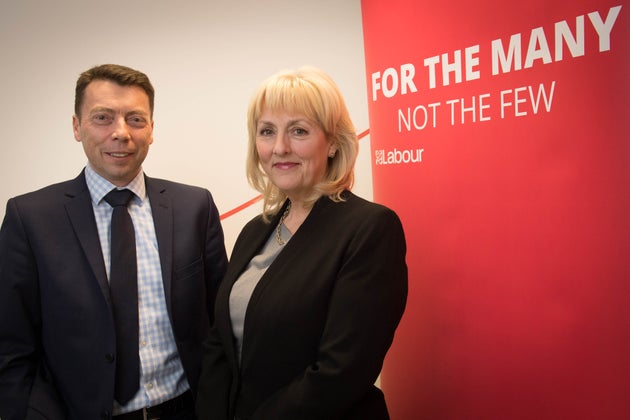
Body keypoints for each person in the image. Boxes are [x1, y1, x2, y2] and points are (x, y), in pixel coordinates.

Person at [0, 64, 228, 419]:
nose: (121, 133)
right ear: (77, 127)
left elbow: (220, 322)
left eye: (136, 119)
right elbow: (10, 346)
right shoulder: (29, 218)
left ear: (152, 129)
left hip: (188, 408)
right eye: (103, 117)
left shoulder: (194, 206)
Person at [196, 66, 408, 420]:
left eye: (298, 130)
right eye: (267, 131)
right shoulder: (255, 230)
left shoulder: (370, 229)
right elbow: (221, 344)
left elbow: (341, 372)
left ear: (334, 143)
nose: (279, 147)